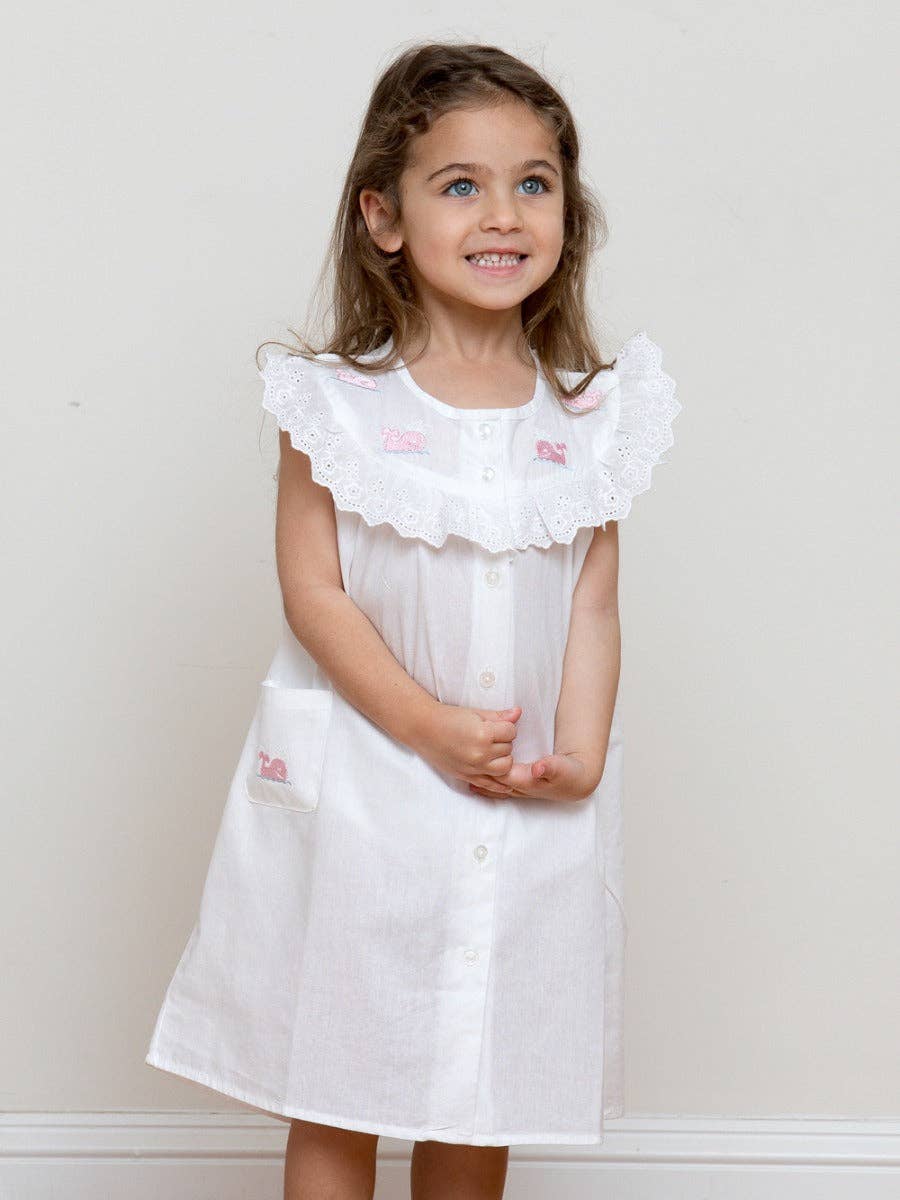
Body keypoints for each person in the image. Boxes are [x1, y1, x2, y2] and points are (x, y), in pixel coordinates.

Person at [145, 40, 681, 1200]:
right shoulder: (334, 408)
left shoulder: (591, 419)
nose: (504, 215)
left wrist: (583, 751)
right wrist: (429, 726)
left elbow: (592, 600)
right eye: (461, 184)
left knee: (483, 1079)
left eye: (533, 182)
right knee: (340, 1074)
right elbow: (314, 594)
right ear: (383, 216)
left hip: (524, 794)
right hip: (371, 791)